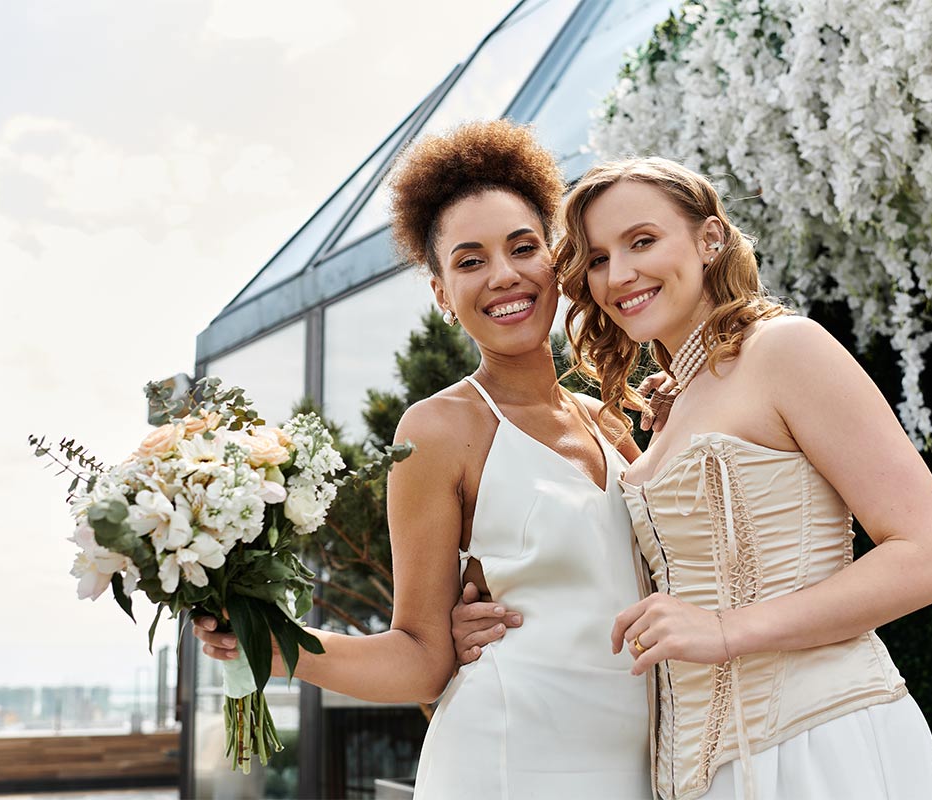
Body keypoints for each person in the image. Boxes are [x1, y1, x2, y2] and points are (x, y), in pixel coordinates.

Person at [458, 156, 932, 800]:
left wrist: (726, 632)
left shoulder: (786, 349)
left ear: (710, 238)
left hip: (821, 745)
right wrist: (482, 616)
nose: (621, 274)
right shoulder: (672, 405)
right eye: (597, 258)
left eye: (642, 241)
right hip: (706, 775)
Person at [193, 120, 652, 799]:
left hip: (637, 760)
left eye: (523, 247)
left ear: (557, 260)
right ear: (441, 293)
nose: (503, 275)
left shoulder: (616, 421)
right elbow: (420, 658)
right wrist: (278, 644)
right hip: (507, 758)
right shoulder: (439, 430)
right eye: (469, 261)